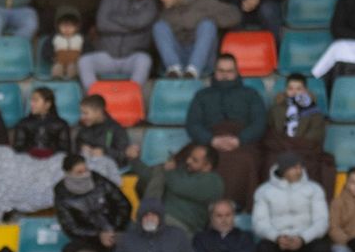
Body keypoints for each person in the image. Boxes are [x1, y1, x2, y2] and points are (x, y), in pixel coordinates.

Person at [184, 54, 266, 209]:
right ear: (215, 72)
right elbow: (192, 124)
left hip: (244, 143)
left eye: (229, 71)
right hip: (209, 142)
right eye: (221, 71)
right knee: (201, 160)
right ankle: (207, 210)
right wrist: (211, 140)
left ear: (236, 72)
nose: (225, 75)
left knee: (246, 160)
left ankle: (237, 210)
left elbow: (259, 123)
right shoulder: (202, 95)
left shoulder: (251, 94)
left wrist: (239, 140)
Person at [78, 0, 157, 90]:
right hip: (107, 55)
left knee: (144, 60)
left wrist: (115, 18)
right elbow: (102, 25)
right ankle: (96, 97)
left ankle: (130, 96)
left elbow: (139, 23)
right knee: (85, 61)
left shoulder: (150, 3)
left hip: (132, 56)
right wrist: (132, 27)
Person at [54, 153, 132, 252]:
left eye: (86, 170)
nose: (85, 174)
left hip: (114, 231)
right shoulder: (62, 194)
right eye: (79, 172)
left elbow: (124, 204)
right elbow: (70, 227)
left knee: (127, 249)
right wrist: (98, 235)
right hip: (89, 240)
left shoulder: (100, 181)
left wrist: (112, 229)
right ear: (68, 174)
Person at [252, 154, 330, 252]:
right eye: (294, 168)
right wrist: (277, 237)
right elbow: (259, 223)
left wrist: (303, 238)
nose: (299, 171)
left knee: (322, 249)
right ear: (283, 170)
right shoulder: (264, 191)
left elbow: (322, 221)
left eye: (300, 167)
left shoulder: (314, 189)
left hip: (305, 239)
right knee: (263, 249)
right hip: (277, 240)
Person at [154, 0, 240, 79]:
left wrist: (213, 19)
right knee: (159, 26)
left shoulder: (203, 3)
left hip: (203, 59)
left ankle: (193, 70)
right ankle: (174, 69)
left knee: (207, 25)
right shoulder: (163, 12)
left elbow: (235, 15)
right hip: (177, 58)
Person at [136, 142, 224, 233]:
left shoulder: (213, 181)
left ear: (207, 167)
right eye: (189, 157)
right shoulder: (180, 171)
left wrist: (167, 170)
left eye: (195, 160)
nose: (188, 161)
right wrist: (134, 160)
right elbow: (150, 176)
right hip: (157, 218)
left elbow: (178, 186)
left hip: (182, 226)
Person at [261, 73, 328, 181]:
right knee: (269, 161)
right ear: (286, 90)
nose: (294, 92)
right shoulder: (276, 109)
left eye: (298, 89)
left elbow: (316, 134)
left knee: (311, 163)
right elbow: (270, 131)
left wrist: (293, 145)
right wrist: (285, 146)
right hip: (280, 149)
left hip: (303, 150)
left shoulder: (314, 111)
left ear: (305, 90)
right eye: (290, 88)